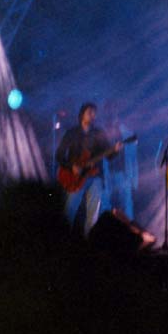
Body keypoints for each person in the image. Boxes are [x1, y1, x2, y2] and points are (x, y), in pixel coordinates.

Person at [56, 102, 122, 238]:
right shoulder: (72, 133)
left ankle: (89, 241)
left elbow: (109, 156)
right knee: (70, 210)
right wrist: (72, 166)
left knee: (93, 213)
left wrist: (115, 150)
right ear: (82, 114)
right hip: (76, 177)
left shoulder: (98, 133)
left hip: (94, 176)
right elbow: (59, 155)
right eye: (89, 112)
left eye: (94, 113)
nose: (93, 115)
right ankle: (62, 241)